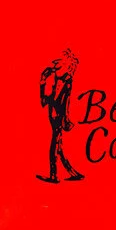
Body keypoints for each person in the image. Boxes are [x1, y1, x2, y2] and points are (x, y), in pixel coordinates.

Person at [37, 48, 84, 183]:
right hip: (55, 114)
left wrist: (43, 81)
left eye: (57, 63)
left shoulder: (65, 80)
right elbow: (45, 101)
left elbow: (57, 100)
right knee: (58, 144)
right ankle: (71, 172)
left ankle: (54, 175)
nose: (54, 65)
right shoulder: (60, 78)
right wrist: (43, 82)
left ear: (66, 64)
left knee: (55, 144)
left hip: (57, 115)